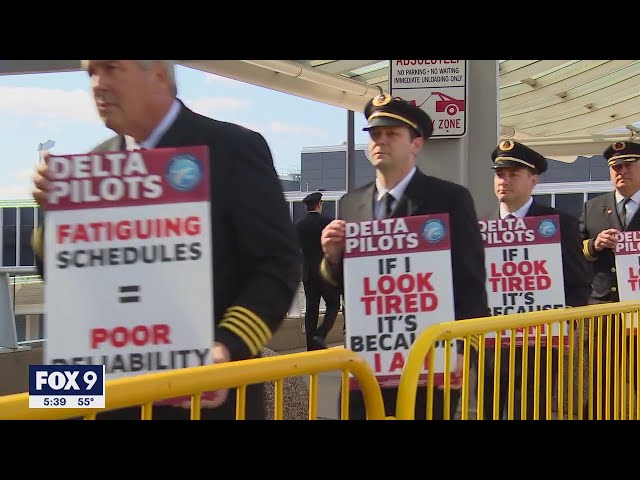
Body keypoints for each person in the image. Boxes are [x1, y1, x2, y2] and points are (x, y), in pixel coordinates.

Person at [30, 60, 301, 420]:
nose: (97, 83)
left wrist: (227, 347)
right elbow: (63, 278)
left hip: (200, 398)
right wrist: (54, 215)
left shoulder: (232, 149)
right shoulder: (94, 162)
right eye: (90, 72)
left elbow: (277, 266)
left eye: (111, 68)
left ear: (157, 75)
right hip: (108, 399)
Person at [320, 93, 489, 420]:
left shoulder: (449, 199)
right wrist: (332, 258)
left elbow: (470, 280)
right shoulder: (351, 203)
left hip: (431, 360)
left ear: (416, 143)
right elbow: (349, 286)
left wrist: (463, 351)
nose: (380, 141)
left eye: (392, 134)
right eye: (375, 134)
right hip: (367, 357)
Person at [480, 140, 591, 420]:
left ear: (533, 179)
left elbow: (578, 280)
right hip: (489, 344)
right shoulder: (481, 225)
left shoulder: (558, 222)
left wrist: (563, 320)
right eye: (499, 174)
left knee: (528, 410)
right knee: (486, 409)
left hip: (538, 344)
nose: (504, 181)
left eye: (513, 174)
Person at [579, 140, 640, 419]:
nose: (622, 171)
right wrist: (594, 244)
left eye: (628, 165)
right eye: (616, 167)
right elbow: (574, 253)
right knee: (604, 382)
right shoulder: (593, 207)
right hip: (605, 311)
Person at [295, 190, 341, 350]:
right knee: (334, 304)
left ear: (306, 208)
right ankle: (320, 336)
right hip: (325, 273)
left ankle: (311, 347)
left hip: (308, 274)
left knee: (311, 309)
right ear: (320, 205)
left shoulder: (299, 226)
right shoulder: (328, 223)